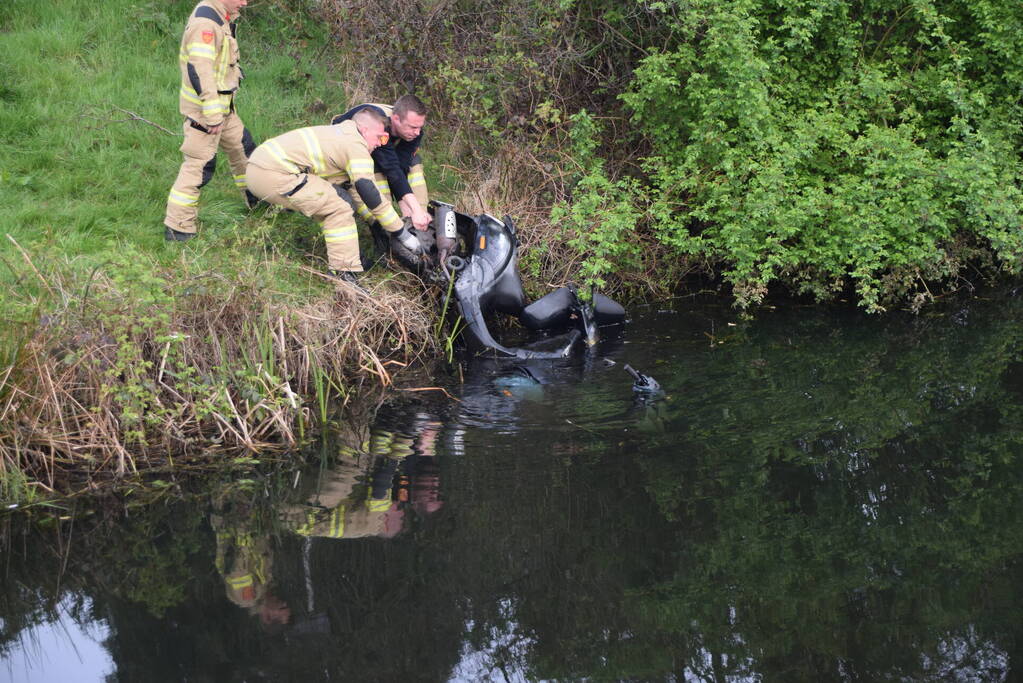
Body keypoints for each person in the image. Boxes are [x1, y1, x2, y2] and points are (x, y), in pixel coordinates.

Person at [244, 108, 422, 284]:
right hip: (274, 174)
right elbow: (368, 189)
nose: (381, 143)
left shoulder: (343, 133)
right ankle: (343, 274)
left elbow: (353, 188)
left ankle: (350, 256)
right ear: (365, 129)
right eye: (380, 137)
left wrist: (376, 222)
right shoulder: (356, 144)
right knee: (338, 209)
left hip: (258, 168)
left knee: (339, 197)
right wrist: (401, 233)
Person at [163, 0, 258, 242]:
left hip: (225, 110)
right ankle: (178, 228)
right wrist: (212, 114)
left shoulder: (221, 14)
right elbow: (200, 70)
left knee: (244, 151)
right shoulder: (205, 23)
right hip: (205, 113)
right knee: (199, 167)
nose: (245, 2)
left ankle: (258, 202)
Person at [332, 96, 431, 247]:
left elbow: (401, 167)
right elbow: (390, 168)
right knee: (377, 190)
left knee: (414, 164)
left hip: (378, 148)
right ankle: (382, 231)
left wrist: (408, 209)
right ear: (396, 119)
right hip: (346, 150)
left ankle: (418, 225)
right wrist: (413, 208)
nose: (417, 132)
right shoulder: (379, 127)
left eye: (419, 127)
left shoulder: (415, 130)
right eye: (412, 127)